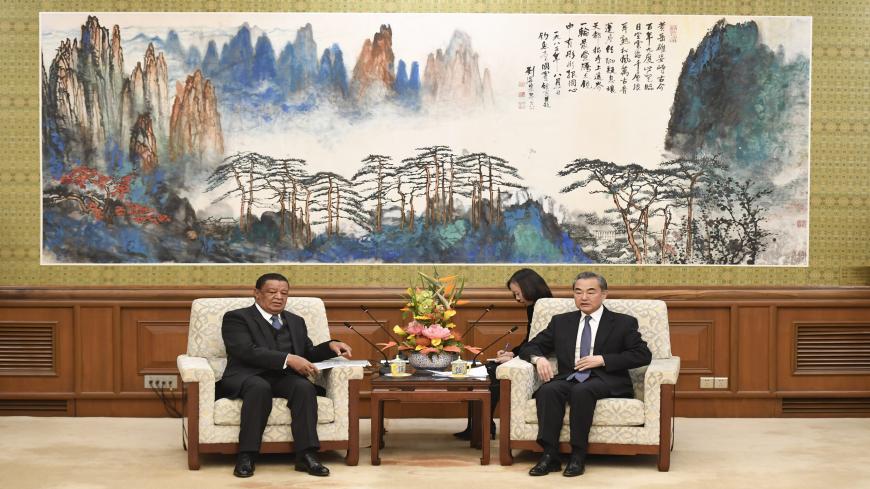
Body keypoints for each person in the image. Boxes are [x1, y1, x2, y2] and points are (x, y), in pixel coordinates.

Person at [216, 273, 353, 478]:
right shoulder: (237, 318)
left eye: (284, 293)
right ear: (257, 293)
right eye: (272, 292)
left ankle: (306, 455)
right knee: (259, 387)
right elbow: (245, 351)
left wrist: (330, 346)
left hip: (282, 377)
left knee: (304, 387)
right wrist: (288, 359)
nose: (278, 297)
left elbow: (307, 352)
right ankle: (247, 455)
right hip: (247, 375)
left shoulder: (296, 321)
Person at [520, 271, 651, 477]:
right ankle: (549, 454)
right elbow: (530, 347)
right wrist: (539, 359)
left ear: (604, 294)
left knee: (582, 391)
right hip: (570, 377)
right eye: (578, 292)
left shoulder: (623, 322)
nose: (584, 297)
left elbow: (642, 355)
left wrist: (603, 359)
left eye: (591, 292)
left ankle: (578, 455)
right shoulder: (561, 322)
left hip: (607, 379)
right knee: (548, 390)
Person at [453, 268, 553, 440]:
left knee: (490, 371)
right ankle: (478, 426)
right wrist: (512, 354)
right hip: (531, 355)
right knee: (485, 370)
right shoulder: (533, 306)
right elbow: (530, 340)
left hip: (544, 360)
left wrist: (514, 356)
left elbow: (543, 343)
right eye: (514, 294)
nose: (517, 298)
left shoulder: (546, 307)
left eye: (518, 293)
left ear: (530, 287)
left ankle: (483, 427)